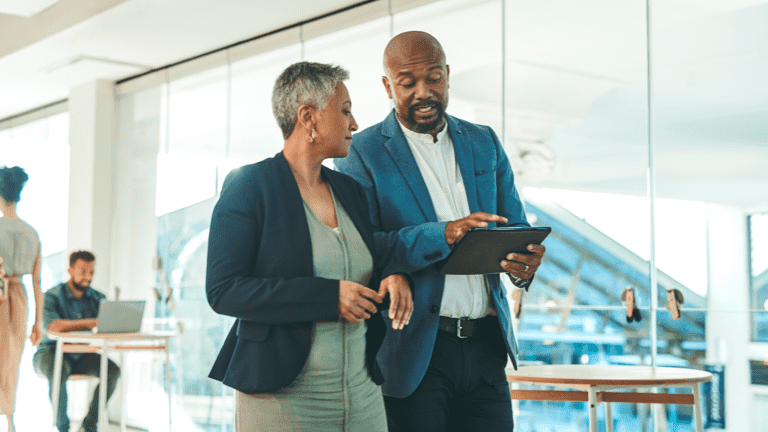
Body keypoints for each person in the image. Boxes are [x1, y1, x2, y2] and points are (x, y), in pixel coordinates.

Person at [335, 31, 547, 431]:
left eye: (433, 78)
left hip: (487, 345)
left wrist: (524, 263)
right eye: (408, 82)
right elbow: (361, 246)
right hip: (414, 350)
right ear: (387, 86)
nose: (423, 92)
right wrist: (443, 234)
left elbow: (515, 226)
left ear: (447, 75)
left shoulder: (484, 142)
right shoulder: (361, 152)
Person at [205, 61, 414, 432]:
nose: (354, 124)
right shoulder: (250, 185)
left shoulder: (350, 191)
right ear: (308, 117)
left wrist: (392, 274)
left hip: (362, 389)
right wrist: (327, 297)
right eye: (345, 110)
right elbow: (224, 291)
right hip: (284, 394)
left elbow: (367, 261)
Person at [33, 250, 121, 432]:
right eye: (82, 271)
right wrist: (91, 322)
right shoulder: (53, 295)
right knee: (58, 369)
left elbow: (106, 326)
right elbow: (53, 327)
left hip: (81, 354)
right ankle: (63, 427)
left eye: (91, 272)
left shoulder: (98, 298)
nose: (87, 277)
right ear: (70, 270)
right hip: (49, 354)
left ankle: (89, 425)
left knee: (112, 370)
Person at [0, 165, 43, 432]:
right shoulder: (32, 232)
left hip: (2, 294)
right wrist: (38, 322)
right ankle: (10, 420)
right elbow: (37, 282)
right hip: (20, 298)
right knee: (12, 360)